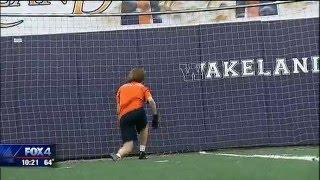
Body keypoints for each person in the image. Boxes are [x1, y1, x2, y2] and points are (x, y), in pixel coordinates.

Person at [110, 68, 159, 161]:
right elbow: (151, 101)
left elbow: (118, 109)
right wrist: (155, 115)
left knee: (128, 145)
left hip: (124, 116)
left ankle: (118, 155)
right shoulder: (142, 87)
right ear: (142, 78)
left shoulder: (121, 88)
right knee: (144, 126)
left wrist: (121, 121)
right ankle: (142, 151)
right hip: (138, 112)